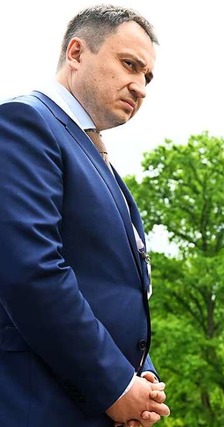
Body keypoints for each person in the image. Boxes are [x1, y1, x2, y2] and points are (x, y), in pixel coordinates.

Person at [0, 5, 170, 427]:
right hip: (37, 403)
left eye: (147, 76)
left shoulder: (95, 154)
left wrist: (140, 374)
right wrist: (114, 384)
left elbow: (108, 286)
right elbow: (32, 273)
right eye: (129, 65)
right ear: (76, 52)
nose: (141, 86)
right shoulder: (24, 123)